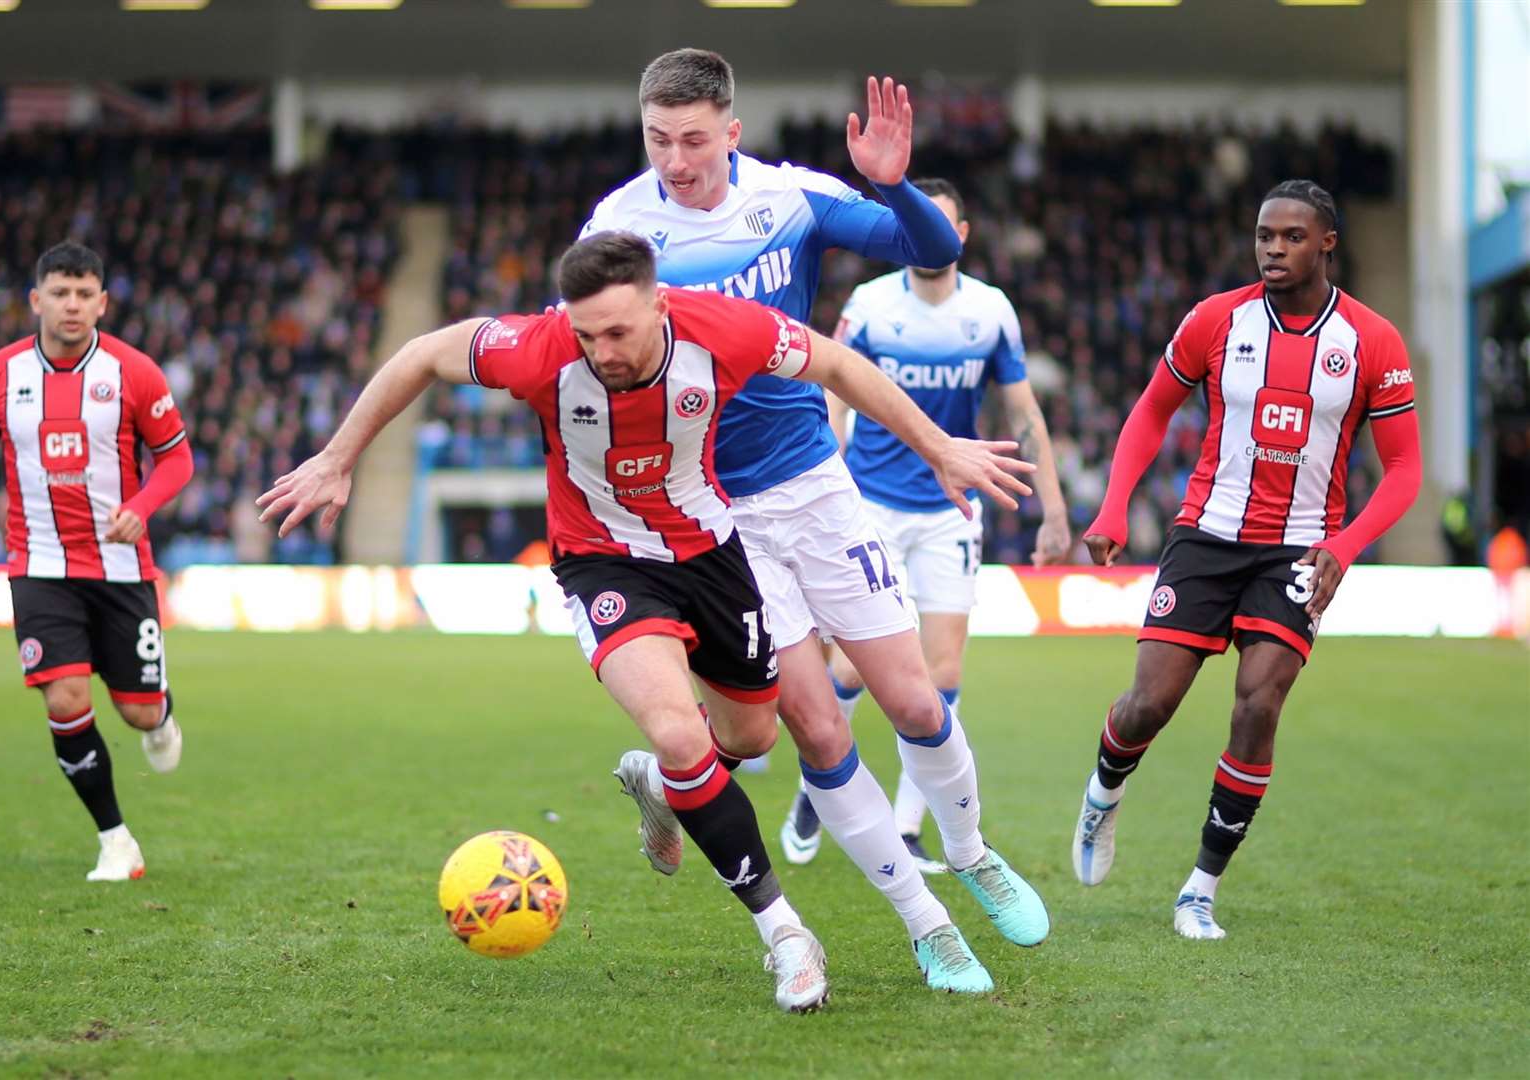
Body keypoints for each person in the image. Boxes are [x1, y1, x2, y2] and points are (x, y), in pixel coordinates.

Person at [257, 232, 1033, 1009]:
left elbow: (834, 363)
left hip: (712, 554)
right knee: (680, 732)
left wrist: (936, 446)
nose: (603, 351)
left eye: (619, 332)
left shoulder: (720, 329)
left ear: (659, 307)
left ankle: (668, 787)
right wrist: (336, 457)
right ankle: (786, 935)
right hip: (605, 564)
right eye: (587, 333)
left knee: (752, 737)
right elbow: (421, 354)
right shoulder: (539, 349)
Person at [581, 48, 1050, 991]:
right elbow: (590, 349)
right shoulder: (620, 227)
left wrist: (896, 185)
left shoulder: (791, 198)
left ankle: (970, 853)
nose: (675, 160)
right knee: (817, 733)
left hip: (816, 487)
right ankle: (926, 927)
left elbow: (932, 252)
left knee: (916, 701)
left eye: (694, 140)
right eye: (658, 139)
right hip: (714, 515)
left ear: (733, 132)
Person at [1070, 180, 1423, 939]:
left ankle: (1199, 888)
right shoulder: (1215, 320)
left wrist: (1346, 546)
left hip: (1299, 547)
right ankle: (1104, 791)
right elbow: (1154, 408)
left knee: (1259, 704)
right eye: (1264, 235)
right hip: (1207, 535)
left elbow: (1404, 470)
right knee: (1148, 706)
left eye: (1292, 236)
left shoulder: (1372, 342)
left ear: (1327, 242)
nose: (1272, 248)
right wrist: (1112, 504)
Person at [782, 178, 1070, 875]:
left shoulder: (991, 313)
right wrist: (836, 473)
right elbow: (834, 388)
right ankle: (814, 789)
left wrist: (1054, 508)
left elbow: (1023, 411)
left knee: (941, 671)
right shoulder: (871, 306)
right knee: (850, 664)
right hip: (873, 503)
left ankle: (908, 827)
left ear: (962, 235)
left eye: (941, 226)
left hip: (950, 510)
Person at [0, 241, 193, 882]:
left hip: (121, 568)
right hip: (37, 566)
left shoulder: (134, 373)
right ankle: (116, 840)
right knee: (64, 700)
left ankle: (162, 710)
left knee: (139, 712)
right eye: (60, 293)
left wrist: (142, 506)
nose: (72, 305)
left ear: (103, 302)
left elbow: (177, 460)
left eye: (84, 293)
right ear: (37, 299)